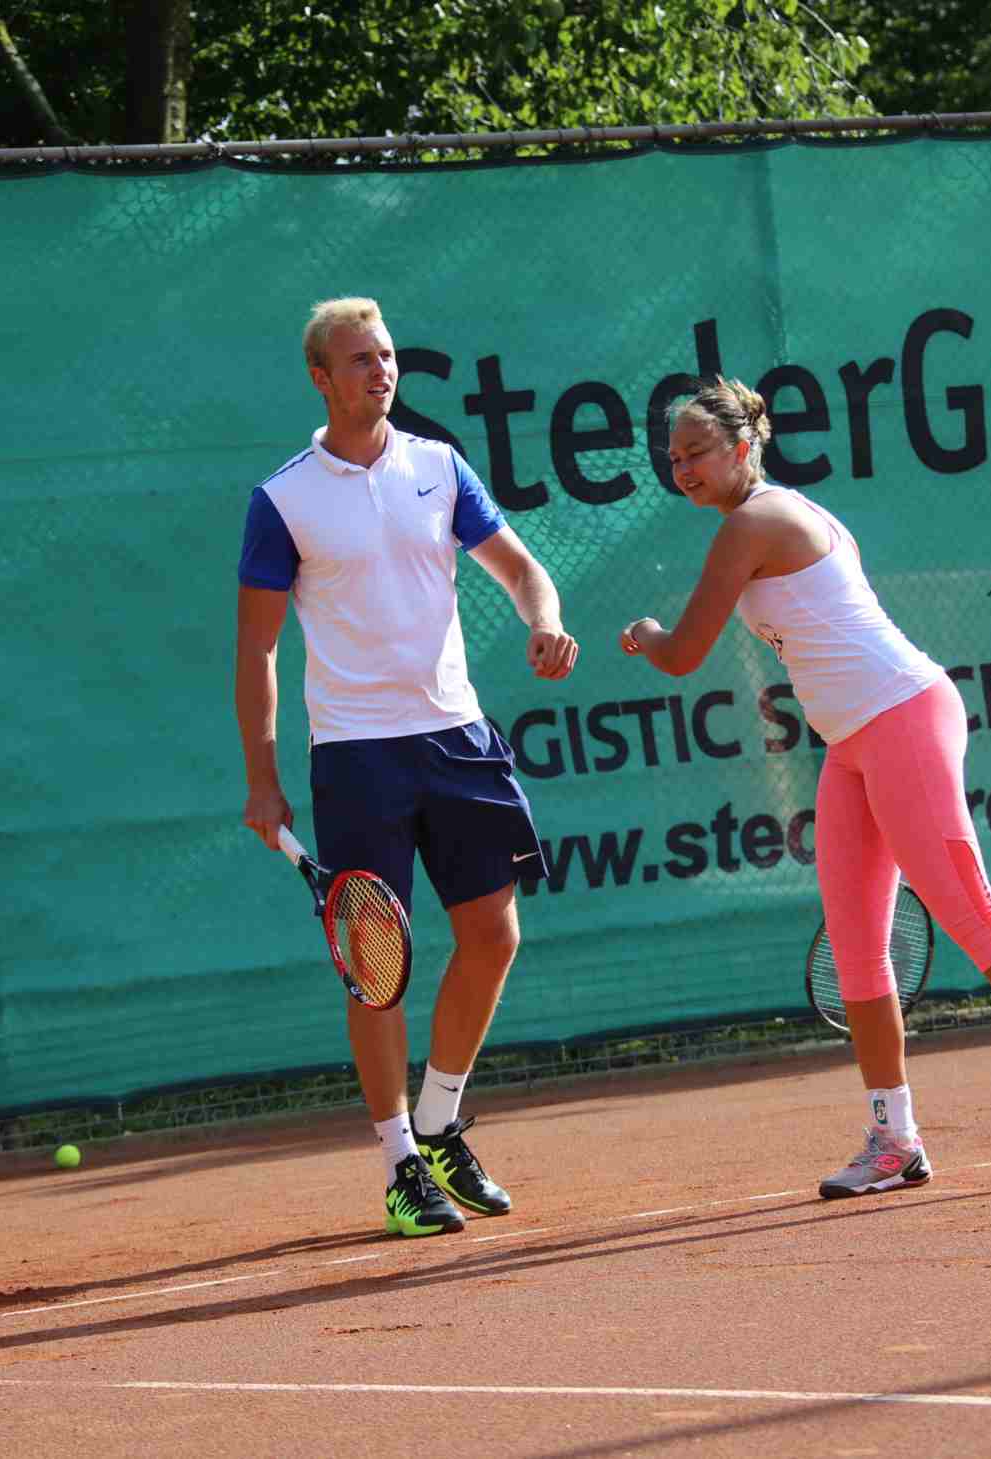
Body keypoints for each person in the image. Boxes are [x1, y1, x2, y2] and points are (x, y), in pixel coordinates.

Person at [620, 377, 991, 1199]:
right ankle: (894, 1139)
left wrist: (646, 634)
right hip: (851, 744)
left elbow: (680, 653)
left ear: (742, 447)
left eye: (696, 452)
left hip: (903, 718)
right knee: (857, 943)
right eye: (672, 457)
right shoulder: (781, 513)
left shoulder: (754, 522)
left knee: (971, 911)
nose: (681, 469)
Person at [236, 297, 579, 1238]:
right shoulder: (284, 499)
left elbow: (522, 570)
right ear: (321, 377)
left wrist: (544, 620)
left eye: (387, 355)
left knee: (494, 935)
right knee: (375, 968)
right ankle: (399, 1163)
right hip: (355, 754)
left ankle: (439, 1120)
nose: (381, 371)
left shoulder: (440, 466)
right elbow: (258, 648)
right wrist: (263, 776)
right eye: (360, 359)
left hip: (456, 734)